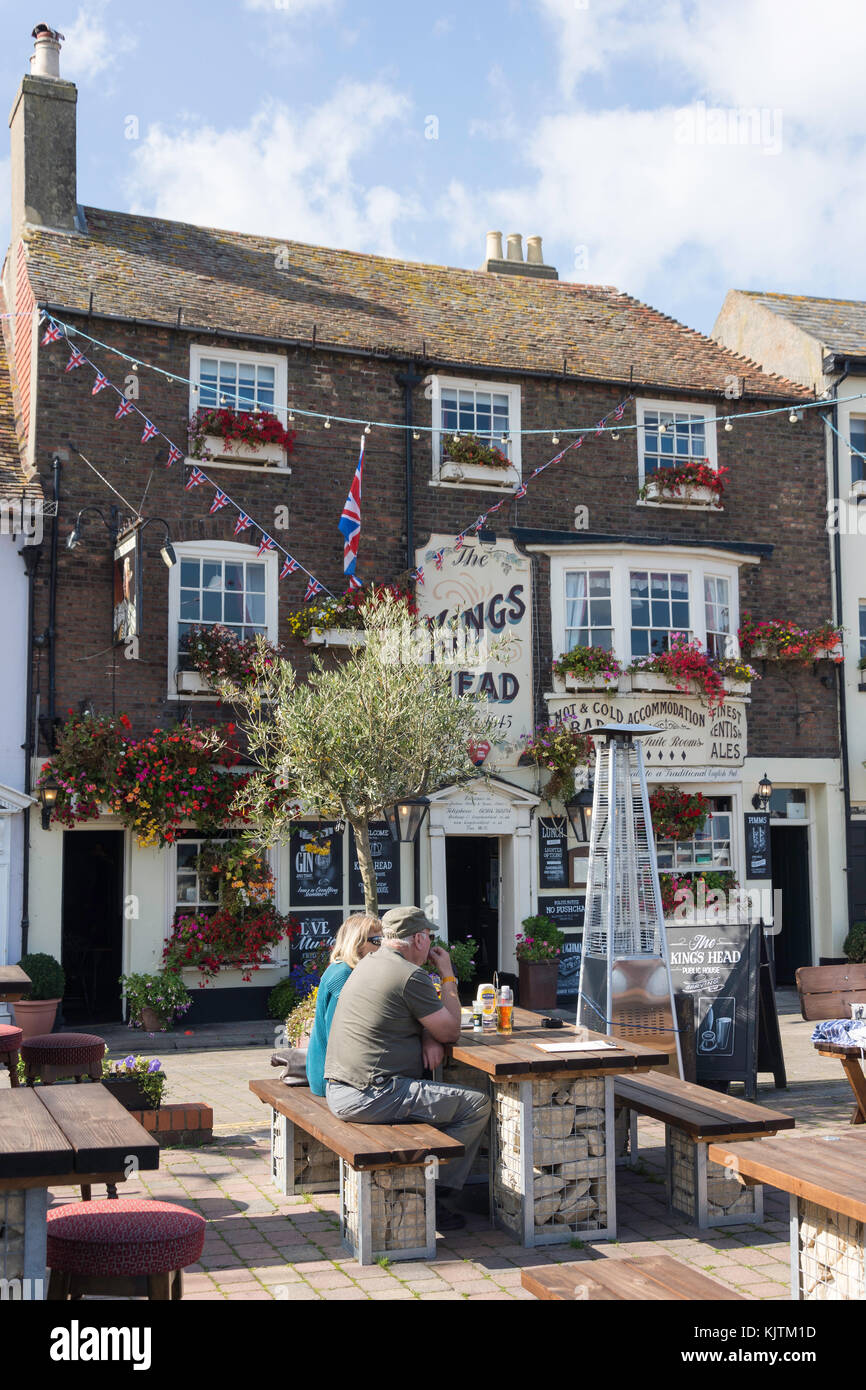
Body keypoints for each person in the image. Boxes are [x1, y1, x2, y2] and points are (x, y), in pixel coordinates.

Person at [324, 904, 491, 1230]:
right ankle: (436, 1197)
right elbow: (451, 1031)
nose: (430, 944)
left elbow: (412, 1017)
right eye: (429, 936)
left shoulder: (369, 963)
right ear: (418, 939)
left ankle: (428, 1186)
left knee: (442, 1100)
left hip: (340, 1088)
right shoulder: (410, 975)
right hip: (372, 1094)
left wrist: (428, 1036)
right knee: (476, 1105)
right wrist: (448, 975)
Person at [305, 913, 382, 1097]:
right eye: (377, 941)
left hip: (338, 1074)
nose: (382, 946)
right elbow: (340, 1034)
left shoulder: (349, 970)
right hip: (331, 1079)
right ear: (357, 943)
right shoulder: (343, 974)